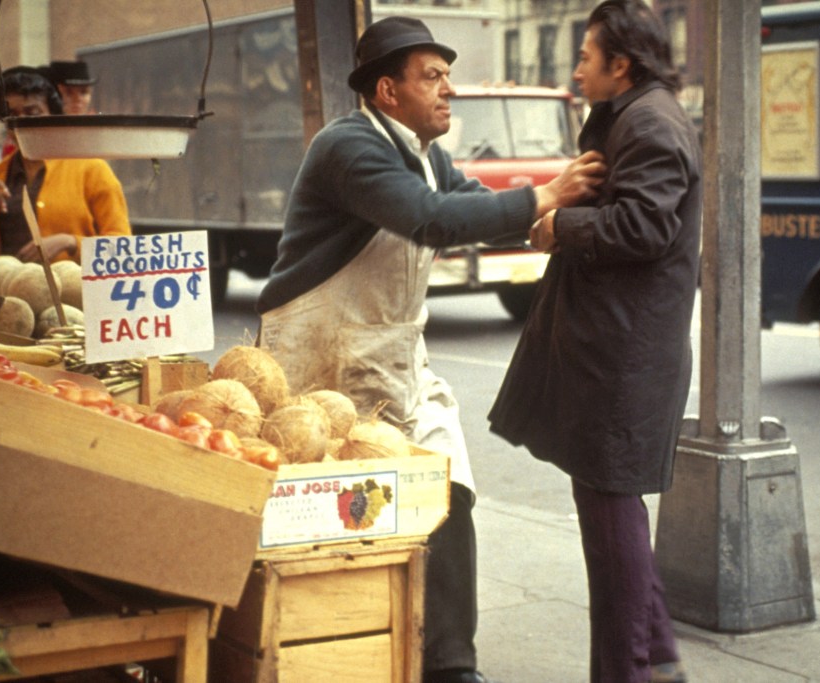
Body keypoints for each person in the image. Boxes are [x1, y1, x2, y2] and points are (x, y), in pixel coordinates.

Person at [255, 16, 604, 683]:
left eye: (447, 75)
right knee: (343, 512)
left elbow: (466, 200)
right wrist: (548, 192)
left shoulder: (419, 148)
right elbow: (429, 215)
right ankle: (330, 652)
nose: (449, 90)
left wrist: (543, 221)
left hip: (392, 354)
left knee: (449, 491)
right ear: (387, 90)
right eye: (432, 77)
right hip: (321, 356)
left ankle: (451, 665)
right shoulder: (348, 147)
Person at [488, 2, 702, 682]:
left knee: (610, 514)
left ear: (621, 63)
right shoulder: (634, 114)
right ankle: (660, 659)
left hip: (625, 353)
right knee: (610, 501)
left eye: (585, 57)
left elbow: (643, 228)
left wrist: (561, 226)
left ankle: (628, 671)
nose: (575, 69)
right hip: (612, 346)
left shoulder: (651, 122)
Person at [0, 67, 130, 264]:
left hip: (73, 291)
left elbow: (124, 247)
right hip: (11, 291)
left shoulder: (92, 170)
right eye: (12, 115)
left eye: (32, 113)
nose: (21, 123)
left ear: (52, 114)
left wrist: (70, 242)